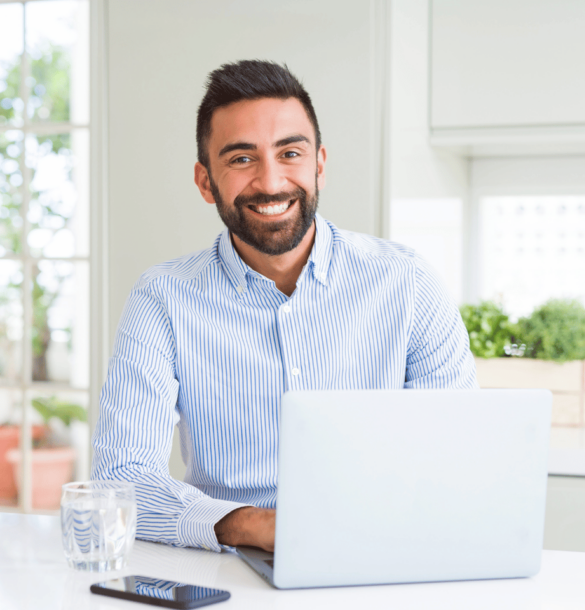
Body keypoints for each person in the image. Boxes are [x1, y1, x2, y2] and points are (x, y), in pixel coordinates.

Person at [91, 59, 477, 555]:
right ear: (206, 180)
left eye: (289, 153)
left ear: (319, 163)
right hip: (231, 565)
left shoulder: (408, 282)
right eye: (241, 159)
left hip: (383, 552)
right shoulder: (162, 298)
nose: (271, 182)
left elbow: (460, 453)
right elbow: (123, 480)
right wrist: (249, 526)